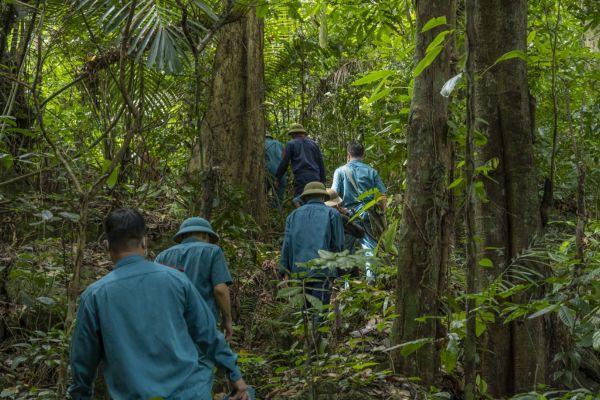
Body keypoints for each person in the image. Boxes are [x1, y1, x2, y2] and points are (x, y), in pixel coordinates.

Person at [69, 209, 249, 400]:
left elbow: (82, 360)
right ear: (144, 242)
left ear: (107, 246)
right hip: (188, 393)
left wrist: (80, 394)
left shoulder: (95, 295)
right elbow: (207, 333)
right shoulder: (177, 280)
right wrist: (234, 374)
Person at [155, 217, 234, 341]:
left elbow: (156, 292)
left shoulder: (162, 256)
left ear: (182, 236)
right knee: (202, 359)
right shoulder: (213, 251)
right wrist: (227, 320)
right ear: (204, 235)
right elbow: (220, 289)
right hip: (203, 324)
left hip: (171, 324)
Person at [280, 182, 345, 307]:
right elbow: (338, 244)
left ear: (305, 197)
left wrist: (283, 270)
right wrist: (340, 269)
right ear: (323, 197)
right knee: (320, 312)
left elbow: (286, 245)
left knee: (304, 313)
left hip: (299, 272)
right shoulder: (332, 214)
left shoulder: (292, 216)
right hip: (324, 271)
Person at [332, 143, 387, 280]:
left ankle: (347, 286)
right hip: (369, 215)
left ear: (348, 155)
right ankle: (371, 282)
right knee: (370, 250)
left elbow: (333, 195)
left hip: (348, 216)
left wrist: (339, 209)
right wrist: (382, 213)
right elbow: (382, 196)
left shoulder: (340, 171)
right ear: (363, 155)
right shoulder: (371, 171)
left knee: (346, 251)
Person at [275, 123, 326, 202]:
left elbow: (284, 163)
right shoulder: (314, 144)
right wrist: (322, 180)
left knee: (299, 200)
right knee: (315, 200)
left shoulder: (291, 144)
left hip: (301, 178)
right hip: (315, 177)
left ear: (294, 133)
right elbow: (321, 163)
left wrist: (278, 178)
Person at [265, 132, 287, 207]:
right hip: (281, 173)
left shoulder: (261, 143)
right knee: (278, 199)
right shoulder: (280, 144)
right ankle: (277, 213)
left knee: (263, 194)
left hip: (268, 171)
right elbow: (285, 159)